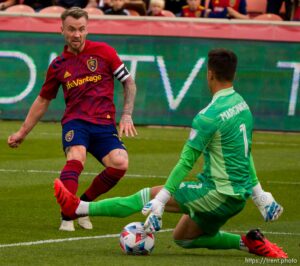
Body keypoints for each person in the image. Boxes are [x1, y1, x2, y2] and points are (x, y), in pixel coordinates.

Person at [54, 48, 287, 258]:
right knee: (183, 238)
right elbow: (245, 152)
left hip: (216, 193)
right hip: (237, 198)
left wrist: (162, 200)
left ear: (210, 74)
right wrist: (259, 193)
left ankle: (79, 208)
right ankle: (249, 243)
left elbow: (186, 162)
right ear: (232, 74)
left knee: (146, 196)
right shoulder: (242, 105)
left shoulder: (208, 116)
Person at [8, 7, 137, 231]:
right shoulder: (58, 65)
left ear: (87, 29)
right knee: (76, 156)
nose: (76, 34)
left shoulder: (105, 52)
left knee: (120, 163)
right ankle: (67, 216)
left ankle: (82, 206)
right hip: (75, 122)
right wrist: (22, 132)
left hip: (104, 124)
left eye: (81, 29)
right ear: (62, 31)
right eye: (71, 29)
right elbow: (42, 100)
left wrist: (127, 114)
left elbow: (129, 82)